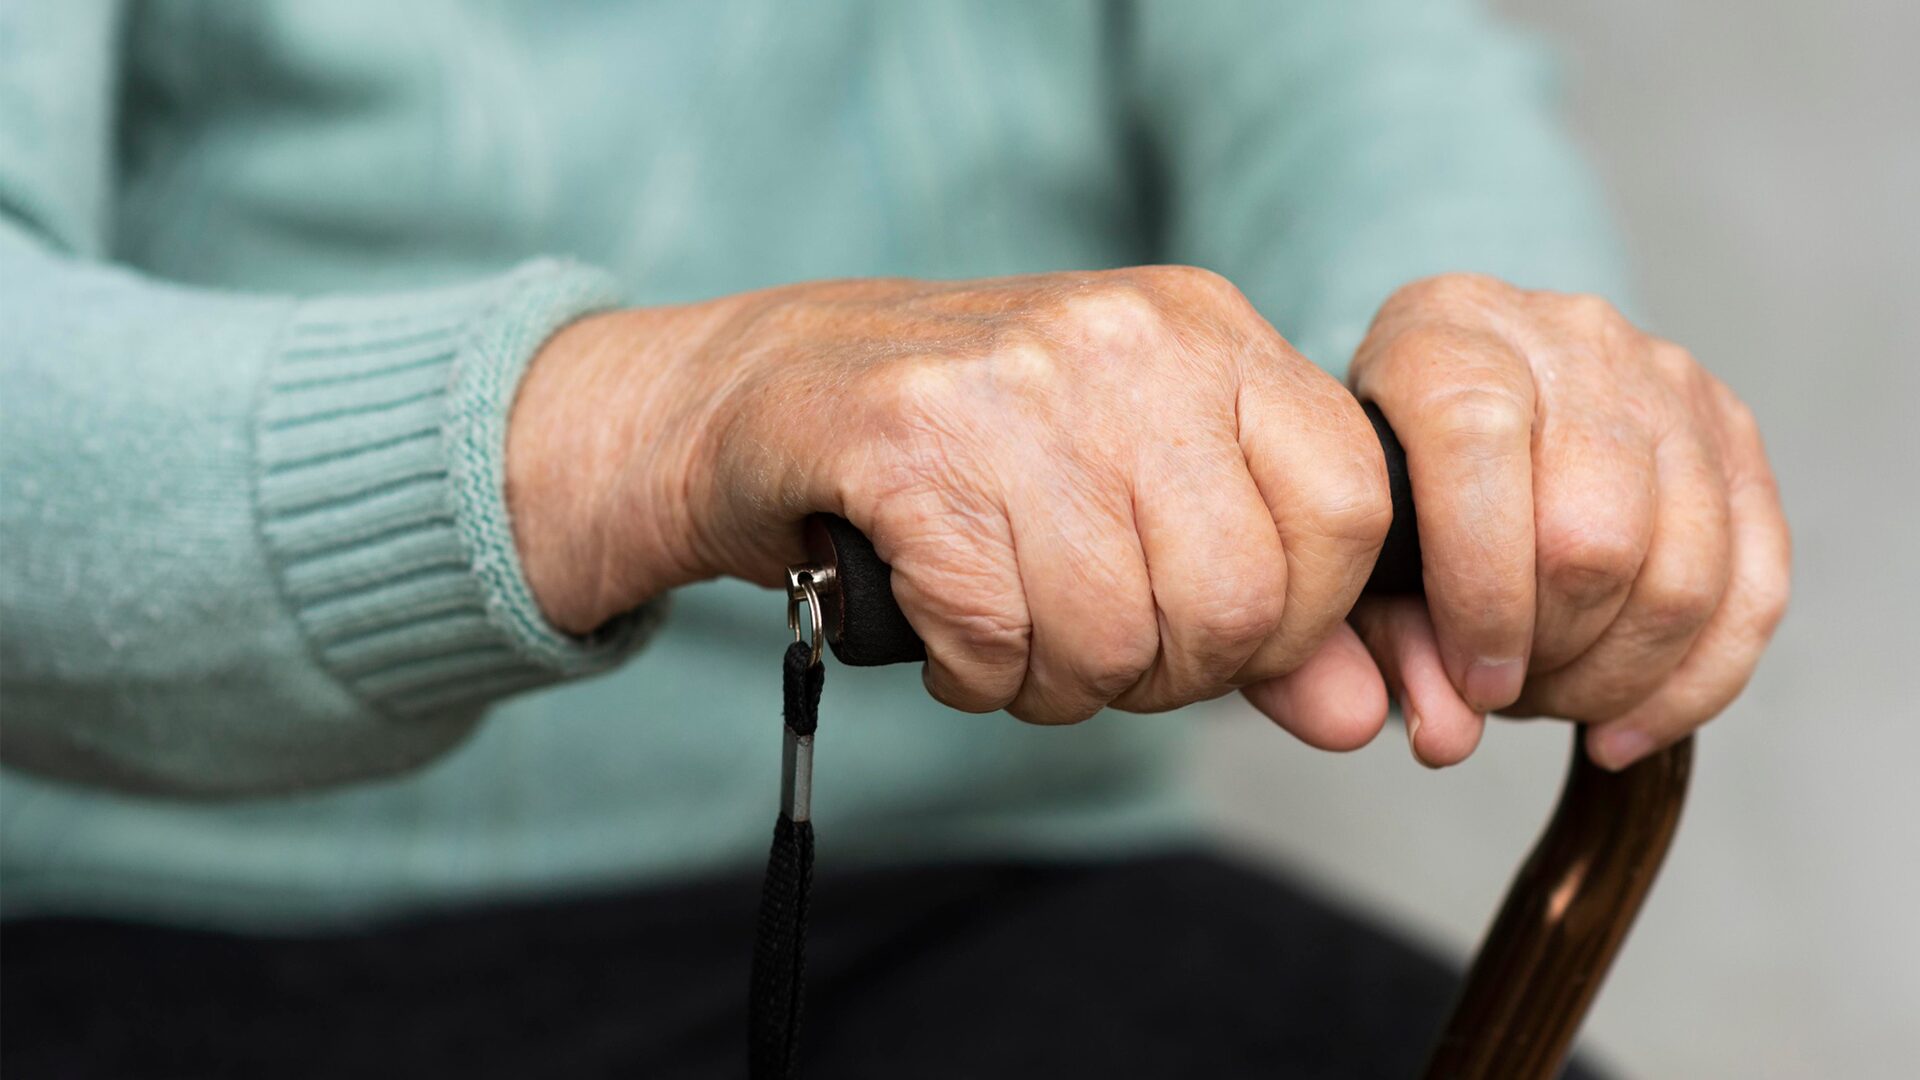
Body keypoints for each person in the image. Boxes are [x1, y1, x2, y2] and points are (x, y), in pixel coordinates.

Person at [0, 1, 1789, 1076]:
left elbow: (1359, 89)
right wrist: (660, 419)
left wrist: (1492, 387)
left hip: (972, 904)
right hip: (115, 915)